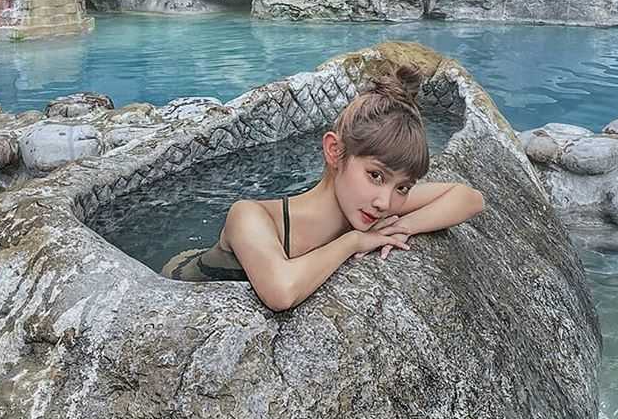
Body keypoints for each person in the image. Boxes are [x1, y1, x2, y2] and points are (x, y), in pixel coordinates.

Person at [161, 62, 486, 311]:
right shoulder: (249, 215)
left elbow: (470, 199)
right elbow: (281, 292)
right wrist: (354, 241)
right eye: (376, 175)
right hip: (180, 278)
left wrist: (402, 227)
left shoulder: (370, 205)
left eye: (403, 187)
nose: (385, 202)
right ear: (335, 151)